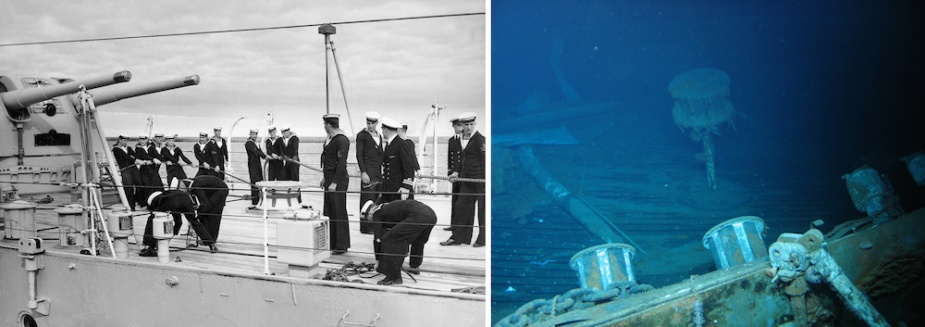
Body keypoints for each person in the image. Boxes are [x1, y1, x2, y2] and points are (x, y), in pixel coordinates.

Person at [362, 199, 437, 285]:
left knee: (390, 239)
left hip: (418, 215)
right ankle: (414, 266)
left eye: (368, 219)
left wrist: (378, 261)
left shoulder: (376, 213)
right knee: (418, 240)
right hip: (431, 215)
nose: (370, 221)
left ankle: (393, 277)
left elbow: (378, 239)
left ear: (370, 212)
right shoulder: (387, 207)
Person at [441, 112, 485, 247]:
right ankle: (459, 238)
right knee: (461, 208)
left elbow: (485, 161)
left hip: (481, 181)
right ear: (462, 126)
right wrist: (455, 172)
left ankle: (483, 239)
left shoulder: (480, 140)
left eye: (472, 124)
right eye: (466, 125)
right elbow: (463, 160)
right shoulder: (463, 139)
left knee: (483, 211)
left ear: (475, 125)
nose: (469, 127)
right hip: (467, 181)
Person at [139, 188, 217, 256]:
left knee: (152, 220)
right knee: (193, 222)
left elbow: (155, 214)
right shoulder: (166, 193)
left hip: (172, 202)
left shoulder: (157, 200)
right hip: (186, 200)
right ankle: (211, 244)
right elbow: (178, 221)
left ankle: (151, 248)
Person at [321, 114, 351, 254]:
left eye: (324, 124)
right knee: (329, 210)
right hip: (329, 178)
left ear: (328, 125)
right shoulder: (330, 139)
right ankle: (331, 242)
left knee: (338, 211)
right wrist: (325, 178)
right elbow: (327, 159)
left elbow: (341, 163)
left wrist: (334, 182)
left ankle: (341, 244)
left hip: (337, 180)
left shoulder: (341, 140)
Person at [355, 111, 383, 234]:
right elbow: (359, 155)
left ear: (377, 123)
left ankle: (374, 223)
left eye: (372, 123)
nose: (370, 125)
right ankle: (365, 226)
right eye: (368, 123)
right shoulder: (362, 135)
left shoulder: (379, 135)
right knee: (367, 199)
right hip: (368, 170)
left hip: (377, 171)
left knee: (377, 199)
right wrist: (363, 172)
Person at [187, 175, 229, 249]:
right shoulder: (193, 183)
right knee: (204, 211)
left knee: (214, 214)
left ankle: (211, 239)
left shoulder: (195, 187)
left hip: (221, 191)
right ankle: (207, 239)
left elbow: (206, 205)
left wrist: (197, 217)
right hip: (213, 191)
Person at [379, 118, 415, 204]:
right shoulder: (389, 145)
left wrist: (406, 187)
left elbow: (409, 167)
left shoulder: (401, 144)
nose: (382, 132)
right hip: (389, 189)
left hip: (399, 190)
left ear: (386, 129)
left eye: (383, 129)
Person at [112, 135, 142, 210]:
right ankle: (131, 206)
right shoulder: (116, 149)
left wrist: (140, 158)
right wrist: (135, 160)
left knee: (139, 184)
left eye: (126, 140)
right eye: (124, 140)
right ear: (119, 140)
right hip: (125, 169)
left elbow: (134, 155)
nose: (125, 142)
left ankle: (139, 201)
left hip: (133, 168)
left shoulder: (128, 148)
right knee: (128, 187)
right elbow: (126, 156)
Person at [444, 118, 463, 231]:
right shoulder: (452, 140)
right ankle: (453, 224)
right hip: (453, 176)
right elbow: (450, 157)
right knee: (454, 200)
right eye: (457, 126)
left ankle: (460, 225)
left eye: (460, 126)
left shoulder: (465, 141)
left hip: (462, 175)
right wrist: (449, 172)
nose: (459, 128)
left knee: (461, 201)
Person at [279, 126, 302, 204]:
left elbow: (295, 148)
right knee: (283, 178)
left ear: (289, 131)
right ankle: (285, 198)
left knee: (295, 180)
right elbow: (281, 150)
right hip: (287, 162)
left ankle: (298, 199)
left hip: (294, 162)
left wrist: (295, 156)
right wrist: (283, 156)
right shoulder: (282, 139)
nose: (284, 134)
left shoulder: (295, 138)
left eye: (285, 132)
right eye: (282, 132)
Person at [245, 129, 266, 208]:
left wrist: (264, 155)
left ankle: (259, 198)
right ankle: (255, 200)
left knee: (260, 179)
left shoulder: (256, 142)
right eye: (253, 134)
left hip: (258, 163)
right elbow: (255, 151)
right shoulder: (249, 143)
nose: (255, 136)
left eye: (256, 134)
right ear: (250, 134)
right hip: (252, 164)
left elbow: (259, 150)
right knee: (254, 181)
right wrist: (265, 156)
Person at [398, 122, 421, 199]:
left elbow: (412, 157)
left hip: (408, 174)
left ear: (400, 130)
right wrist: (417, 169)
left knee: (408, 192)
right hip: (408, 173)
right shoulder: (407, 142)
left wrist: (417, 169)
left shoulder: (407, 143)